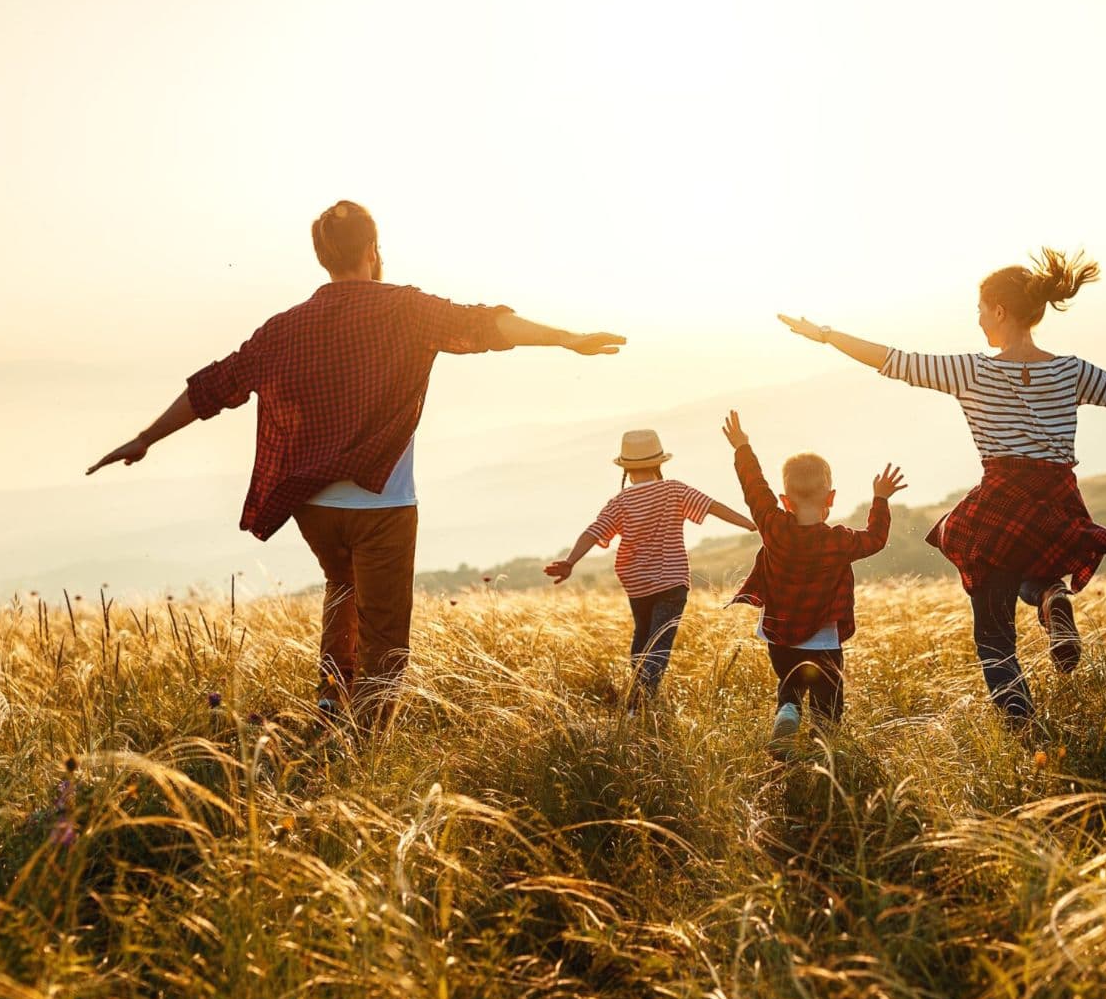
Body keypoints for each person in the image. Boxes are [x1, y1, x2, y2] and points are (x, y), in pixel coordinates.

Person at [87, 200, 625, 733]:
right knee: (385, 636)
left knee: (341, 589)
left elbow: (214, 386)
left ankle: (329, 707)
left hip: (313, 507)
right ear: (372, 250)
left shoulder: (284, 328)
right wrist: (567, 338)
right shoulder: (405, 309)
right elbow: (487, 325)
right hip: (383, 507)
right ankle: (364, 745)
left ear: (323, 256)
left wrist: (145, 438)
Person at [777, 247, 1106, 734]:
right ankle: (1050, 594)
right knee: (1015, 563)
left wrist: (824, 335)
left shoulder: (972, 370)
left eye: (979, 310)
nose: (976, 321)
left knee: (992, 630)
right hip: (1057, 498)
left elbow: (889, 359)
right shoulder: (1070, 371)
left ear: (998, 309)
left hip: (1001, 497)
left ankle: (1024, 729)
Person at [720, 410, 903, 757]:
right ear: (830, 498)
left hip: (778, 632)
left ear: (785, 500)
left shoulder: (773, 526)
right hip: (823, 636)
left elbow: (754, 488)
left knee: (790, 685)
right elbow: (876, 538)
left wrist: (742, 447)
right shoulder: (839, 541)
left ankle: (788, 709)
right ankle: (823, 749)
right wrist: (880, 499)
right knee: (827, 698)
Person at [544, 429, 755, 706]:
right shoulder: (674, 490)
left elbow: (593, 532)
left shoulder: (620, 502)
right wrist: (752, 524)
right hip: (672, 582)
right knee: (659, 644)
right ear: (659, 463)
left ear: (627, 470)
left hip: (637, 584)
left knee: (642, 637)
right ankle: (641, 702)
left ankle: (637, 698)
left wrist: (570, 562)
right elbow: (713, 507)